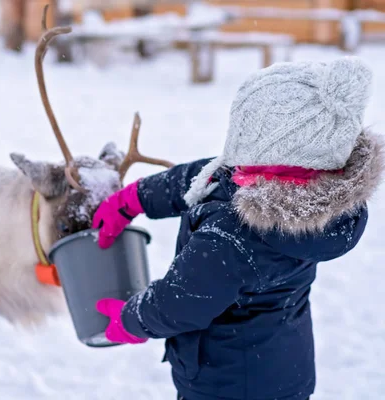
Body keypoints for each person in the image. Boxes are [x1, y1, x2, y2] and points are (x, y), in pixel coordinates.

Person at [92, 56, 383, 400]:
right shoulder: (291, 183)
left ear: (276, 150)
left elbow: (179, 302)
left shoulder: (236, 238)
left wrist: (131, 319)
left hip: (228, 387)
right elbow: (210, 177)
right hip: (278, 370)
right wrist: (137, 197)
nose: (233, 150)